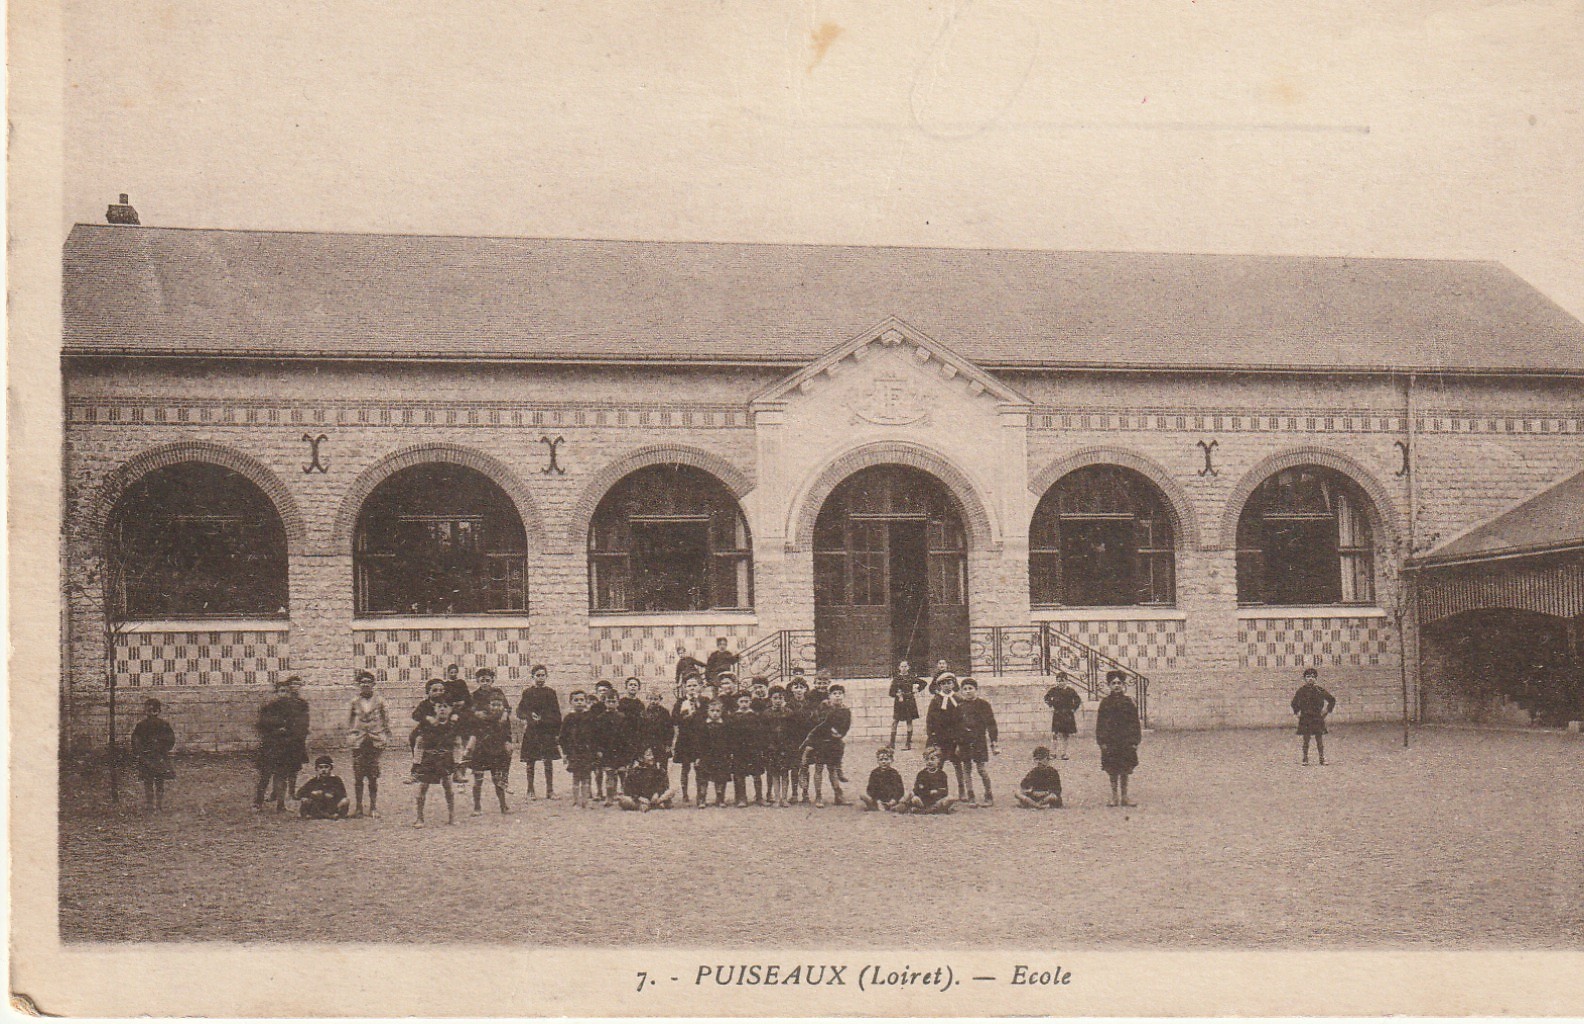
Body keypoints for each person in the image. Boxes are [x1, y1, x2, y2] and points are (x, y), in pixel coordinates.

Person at [253, 676, 309, 811]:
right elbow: (261, 726)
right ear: (276, 693)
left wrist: (290, 734)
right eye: (280, 691)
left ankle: (281, 804)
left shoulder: (292, 709)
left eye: (285, 691)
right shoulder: (268, 708)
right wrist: (276, 729)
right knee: (265, 776)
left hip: (285, 747)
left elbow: (297, 727)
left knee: (282, 776)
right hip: (270, 747)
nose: (283, 694)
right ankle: (257, 803)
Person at [346, 671, 392, 818]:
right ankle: (359, 807)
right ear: (358, 685)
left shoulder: (380, 701)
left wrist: (384, 735)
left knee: (372, 776)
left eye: (368, 681)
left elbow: (386, 720)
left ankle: (373, 807)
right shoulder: (354, 702)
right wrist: (352, 735)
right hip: (359, 741)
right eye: (362, 682)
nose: (365, 684)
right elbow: (350, 721)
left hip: (374, 741)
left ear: (373, 684)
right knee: (358, 776)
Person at [1095, 670, 1142, 807]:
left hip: (1125, 741)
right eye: (1113, 683)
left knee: (1125, 769)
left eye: (1119, 683)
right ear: (1109, 685)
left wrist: (1135, 741)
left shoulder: (1128, 702)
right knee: (1112, 769)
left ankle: (1125, 796)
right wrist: (1102, 741)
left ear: (1123, 685)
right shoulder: (1105, 703)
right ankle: (1114, 797)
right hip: (1110, 742)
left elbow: (1135, 723)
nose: (1116, 686)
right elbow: (1100, 724)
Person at [515, 664, 562, 799]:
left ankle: (550, 790)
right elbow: (519, 711)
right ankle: (530, 790)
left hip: (547, 731)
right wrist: (530, 716)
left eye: (543, 675)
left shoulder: (551, 693)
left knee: (548, 761)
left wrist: (555, 731)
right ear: (532, 677)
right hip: (532, 731)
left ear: (546, 677)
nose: (540, 678)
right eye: (538, 675)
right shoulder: (528, 693)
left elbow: (556, 713)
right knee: (530, 761)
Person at [413, 699, 460, 826]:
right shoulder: (427, 725)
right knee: (423, 787)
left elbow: (457, 745)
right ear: (435, 709)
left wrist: (457, 764)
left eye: (446, 706)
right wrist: (416, 763)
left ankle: (452, 817)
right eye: (439, 706)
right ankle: (419, 818)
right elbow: (419, 744)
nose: (443, 709)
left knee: (448, 787)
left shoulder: (453, 726)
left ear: (450, 710)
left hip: (445, 759)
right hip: (429, 759)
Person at [466, 694, 514, 815]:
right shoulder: (481, 718)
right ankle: (477, 808)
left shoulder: (504, 720)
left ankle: (503, 806)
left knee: (497, 780)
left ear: (503, 706)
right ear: (488, 706)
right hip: (481, 752)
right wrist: (469, 749)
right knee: (478, 780)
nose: (496, 708)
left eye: (499, 705)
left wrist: (508, 743)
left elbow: (507, 734)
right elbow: (474, 733)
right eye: (493, 705)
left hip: (497, 753)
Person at [803, 684, 851, 807]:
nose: (837, 696)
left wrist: (839, 734)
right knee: (819, 768)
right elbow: (817, 723)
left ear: (843, 696)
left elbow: (846, 726)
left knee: (832, 769)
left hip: (834, 743)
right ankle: (818, 796)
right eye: (834, 694)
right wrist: (827, 732)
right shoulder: (824, 708)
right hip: (821, 742)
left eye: (840, 694)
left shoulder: (845, 711)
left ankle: (838, 795)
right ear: (829, 696)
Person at [956, 678, 999, 806]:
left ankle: (988, 795)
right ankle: (971, 796)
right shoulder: (959, 706)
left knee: (981, 769)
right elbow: (956, 726)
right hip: (964, 742)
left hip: (979, 741)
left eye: (970, 688)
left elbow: (991, 724)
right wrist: (957, 744)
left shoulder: (983, 705)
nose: (968, 691)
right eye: (965, 689)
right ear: (962, 691)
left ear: (976, 690)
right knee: (966, 770)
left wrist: (994, 741)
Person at [130, 697, 175, 811]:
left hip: (158, 756)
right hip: (148, 757)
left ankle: (157, 805)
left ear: (158, 711)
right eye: (149, 710)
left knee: (158, 781)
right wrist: (140, 753)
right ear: (146, 711)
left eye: (154, 710)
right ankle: (151, 805)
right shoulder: (141, 726)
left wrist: (163, 750)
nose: (151, 712)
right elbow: (136, 740)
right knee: (149, 781)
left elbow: (170, 739)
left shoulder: (163, 724)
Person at [558, 690, 597, 809]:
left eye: (582, 700)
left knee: (586, 777)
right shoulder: (569, 718)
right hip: (574, 752)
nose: (579, 702)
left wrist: (595, 750)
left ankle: (585, 801)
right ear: (571, 702)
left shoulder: (590, 717)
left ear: (586, 701)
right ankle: (576, 801)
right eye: (576, 700)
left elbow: (595, 735)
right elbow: (563, 737)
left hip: (587, 752)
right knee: (576, 777)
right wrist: (565, 753)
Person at [1290, 668, 1338, 766]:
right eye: (1308, 677)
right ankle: (1305, 758)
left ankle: (1322, 758)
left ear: (1316, 678)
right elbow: (1294, 703)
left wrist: (1326, 710)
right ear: (1304, 679)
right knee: (1306, 740)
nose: (1310, 679)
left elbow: (1332, 700)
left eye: (1313, 677)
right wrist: (1297, 712)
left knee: (1319, 740)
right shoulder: (1301, 691)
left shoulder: (1320, 690)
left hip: (1317, 718)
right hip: (1305, 718)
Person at [762, 685, 797, 807]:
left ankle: (784, 798)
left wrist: (790, 746)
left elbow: (793, 731)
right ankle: (776, 798)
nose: (778, 700)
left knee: (785, 774)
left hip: (785, 747)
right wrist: (767, 746)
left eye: (780, 698)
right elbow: (764, 732)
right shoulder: (766, 713)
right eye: (775, 698)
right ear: (770, 699)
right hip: (772, 748)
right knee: (775, 774)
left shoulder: (789, 713)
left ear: (784, 699)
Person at [729, 692, 766, 807]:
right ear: (737, 703)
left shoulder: (755, 716)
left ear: (750, 702)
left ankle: (759, 797)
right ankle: (741, 797)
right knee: (739, 774)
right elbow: (730, 734)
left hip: (753, 749)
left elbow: (760, 733)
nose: (744, 704)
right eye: (741, 701)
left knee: (756, 773)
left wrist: (759, 747)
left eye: (746, 701)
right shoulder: (734, 717)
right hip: (739, 750)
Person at [694, 700, 733, 808]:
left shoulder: (725, 725)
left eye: (717, 711)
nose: (715, 713)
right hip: (705, 756)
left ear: (721, 712)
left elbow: (729, 741)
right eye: (712, 711)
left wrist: (729, 754)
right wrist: (697, 756)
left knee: (721, 777)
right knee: (702, 777)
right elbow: (698, 743)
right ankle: (701, 799)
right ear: (707, 711)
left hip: (721, 756)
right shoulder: (703, 726)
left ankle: (720, 799)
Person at [671, 677, 704, 800]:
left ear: (699, 687)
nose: (692, 688)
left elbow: (707, 717)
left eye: (694, 685)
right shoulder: (680, 702)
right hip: (685, 739)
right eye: (689, 686)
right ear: (684, 688)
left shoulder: (703, 701)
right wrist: (683, 715)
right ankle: (685, 794)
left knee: (699, 767)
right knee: (685, 767)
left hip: (699, 739)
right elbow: (674, 719)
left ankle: (700, 794)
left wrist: (699, 708)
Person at [785, 677, 814, 803]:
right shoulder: (788, 705)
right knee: (794, 767)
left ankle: (805, 793)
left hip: (806, 739)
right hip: (793, 740)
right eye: (796, 687)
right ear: (791, 689)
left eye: (801, 687)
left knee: (805, 766)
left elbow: (813, 723)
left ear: (806, 689)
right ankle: (795, 793)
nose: (798, 690)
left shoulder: (810, 705)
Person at [295, 755, 350, 820]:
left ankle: (335, 815)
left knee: (345, 801)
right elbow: (299, 794)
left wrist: (333, 794)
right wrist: (312, 794)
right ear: (316, 769)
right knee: (305, 800)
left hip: (332, 805)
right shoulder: (313, 781)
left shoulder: (336, 780)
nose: (323, 770)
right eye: (320, 767)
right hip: (317, 806)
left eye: (326, 767)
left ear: (331, 768)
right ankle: (326, 816)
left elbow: (343, 793)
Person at [924, 674, 962, 766]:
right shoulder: (936, 700)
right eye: (943, 683)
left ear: (953, 684)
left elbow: (962, 717)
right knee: (938, 761)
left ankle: (961, 781)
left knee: (957, 763)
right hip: (940, 736)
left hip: (955, 736)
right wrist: (931, 734)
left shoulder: (958, 699)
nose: (946, 685)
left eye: (949, 683)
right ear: (940, 686)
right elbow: (930, 718)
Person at [888, 660, 926, 751]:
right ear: (899, 668)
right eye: (902, 666)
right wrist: (897, 694)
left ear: (908, 668)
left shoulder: (911, 677)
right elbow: (891, 692)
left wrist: (917, 690)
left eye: (905, 666)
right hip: (899, 702)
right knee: (895, 722)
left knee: (909, 722)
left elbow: (924, 683)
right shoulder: (896, 678)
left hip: (909, 701)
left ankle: (908, 743)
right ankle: (892, 743)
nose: (904, 668)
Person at [1043, 674, 1083, 760]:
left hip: (1067, 715)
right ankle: (1053, 753)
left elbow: (1077, 700)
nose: (1060, 683)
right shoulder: (1053, 690)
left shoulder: (1070, 691)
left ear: (1066, 681)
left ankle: (1064, 753)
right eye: (1058, 681)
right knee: (1054, 734)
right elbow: (1046, 698)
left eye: (1062, 681)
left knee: (1065, 735)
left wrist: (1073, 708)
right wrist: (1051, 705)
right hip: (1057, 714)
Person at [906, 747, 956, 813]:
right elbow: (917, 790)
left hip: (937, 800)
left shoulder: (942, 774)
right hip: (924, 800)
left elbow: (944, 791)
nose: (929, 762)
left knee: (950, 798)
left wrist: (937, 791)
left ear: (939, 760)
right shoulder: (921, 774)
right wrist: (928, 792)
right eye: (927, 759)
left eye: (932, 759)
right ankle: (931, 810)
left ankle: (926, 810)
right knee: (914, 799)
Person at [859, 746, 906, 812]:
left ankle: (891, 807)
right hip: (878, 799)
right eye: (881, 760)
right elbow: (871, 789)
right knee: (863, 795)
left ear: (891, 760)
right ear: (878, 761)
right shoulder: (874, 773)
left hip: (891, 799)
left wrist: (893, 800)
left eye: (886, 759)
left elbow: (900, 789)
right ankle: (876, 806)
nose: (883, 762)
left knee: (903, 800)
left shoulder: (894, 773)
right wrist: (877, 800)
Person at [638, 688, 675, 770]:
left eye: (655, 699)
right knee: (649, 768)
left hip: (661, 744)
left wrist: (668, 744)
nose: (653, 701)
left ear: (660, 699)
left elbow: (670, 729)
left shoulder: (665, 712)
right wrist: (642, 747)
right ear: (647, 699)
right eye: (651, 699)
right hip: (648, 745)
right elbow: (640, 731)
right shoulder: (644, 713)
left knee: (663, 769)